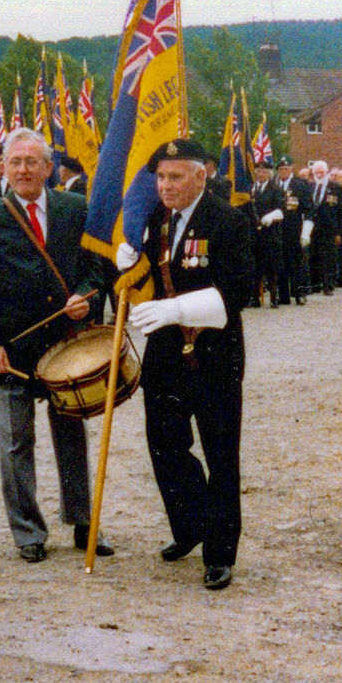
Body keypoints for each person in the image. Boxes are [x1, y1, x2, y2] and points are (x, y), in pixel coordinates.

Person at [0, 128, 109, 563]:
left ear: (50, 167)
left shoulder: (75, 208)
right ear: (2, 168)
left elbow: (96, 273)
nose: (24, 170)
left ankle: (84, 523)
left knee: (72, 436)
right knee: (15, 443)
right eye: (15, 162)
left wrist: (85, 296)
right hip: (12, 351)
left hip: (67, 347)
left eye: (33, 162)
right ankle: (28, 532)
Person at [115, 139, 254, 590]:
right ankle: (191, 525)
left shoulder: (229, 220)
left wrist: (177, 310)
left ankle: (219, 552)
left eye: (175, 176)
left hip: (214, 355)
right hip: (166, 355)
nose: (165, 185)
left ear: (202, 175)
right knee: (164, 445)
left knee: (220, 454)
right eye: (160, 177)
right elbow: (150, 279)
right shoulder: (157, 219)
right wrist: (126, 265)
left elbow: (238, 291)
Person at [247, 160, 285, 308]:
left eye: (263, 172)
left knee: (272, 268)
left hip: (270, 233)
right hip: (254, 235)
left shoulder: (276, 189)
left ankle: (274, 298)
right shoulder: (250, 189)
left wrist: (270, 217)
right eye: (258, 171)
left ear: (269, 174)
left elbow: (282, 209)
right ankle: (255, 298)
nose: (260, 174)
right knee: (255, 267)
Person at [275, 156, 310, 306]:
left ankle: (299, 293)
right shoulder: (273, 185)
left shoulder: (300, 185)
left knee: (296, 263)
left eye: (286, 169)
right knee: (280, 262)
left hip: (294, 229)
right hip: (277, 230)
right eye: (281, 169)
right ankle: (283, 296)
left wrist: (306, 231)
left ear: (291, 169)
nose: (283, 172)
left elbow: (308, 209)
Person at [304, 160, 342, 297]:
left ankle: (328, 286)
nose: (319, 175)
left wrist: (338, 232)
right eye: (316, 173)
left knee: (328, 258)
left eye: (322, 172)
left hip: (328, 229)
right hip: (312, 228)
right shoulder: (309, 187)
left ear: (327, 173)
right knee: (313, 257)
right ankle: (315, 285)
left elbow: (340, 212)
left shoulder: (336, 188)